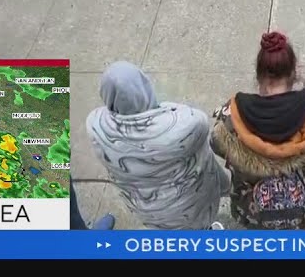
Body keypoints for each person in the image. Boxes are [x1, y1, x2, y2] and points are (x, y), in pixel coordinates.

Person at [210, 31, 305, 230]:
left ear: (258, 75)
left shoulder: (230, 120)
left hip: (257, 215)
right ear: (295, 72)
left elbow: (216, 145)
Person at [87, 62, 229, 231]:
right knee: (198, 229)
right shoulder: (185, 127)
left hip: (148, 210)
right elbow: (200, 121)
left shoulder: (97, 128)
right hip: (189, 204)